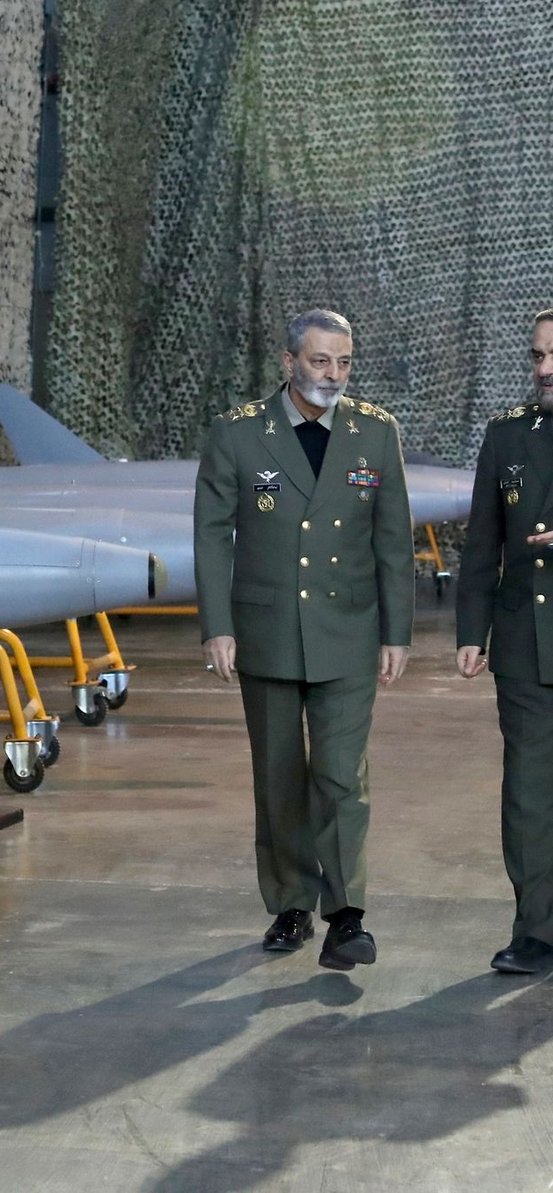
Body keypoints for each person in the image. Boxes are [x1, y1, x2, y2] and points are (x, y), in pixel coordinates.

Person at [193, 308, 414, 969]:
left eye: (344, 362)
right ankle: (291, 903)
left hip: (348, 629)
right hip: (267, 631)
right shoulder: (237, 435)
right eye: (321, 361)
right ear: (289, 362)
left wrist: (396, 631)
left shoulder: (375, 433)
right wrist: (218, 625)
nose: (334, 375)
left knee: (342, 776)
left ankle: (347, 915)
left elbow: (392, 537)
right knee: (280, 774)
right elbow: (211, 533)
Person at [456, 308, 553, 975]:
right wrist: (471, 630)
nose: (544, 369)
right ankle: (536, 929)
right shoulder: (508, 434)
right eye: (538, 355)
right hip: (525, 642)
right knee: (527, 793)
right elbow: (482, 541)